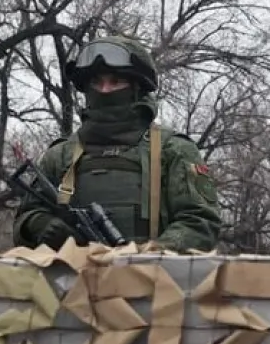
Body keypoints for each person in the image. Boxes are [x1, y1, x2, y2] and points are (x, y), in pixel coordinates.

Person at [12, 35, 223, 253]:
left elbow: (200, 223)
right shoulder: (60, 155)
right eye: (97, 82)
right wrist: (40, 226)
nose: (104, 90)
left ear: (136, 88)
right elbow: (24, 220)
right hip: (71, 281)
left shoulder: (173, 150)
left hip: (152, 280)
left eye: (115, 82)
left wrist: (148, 255)